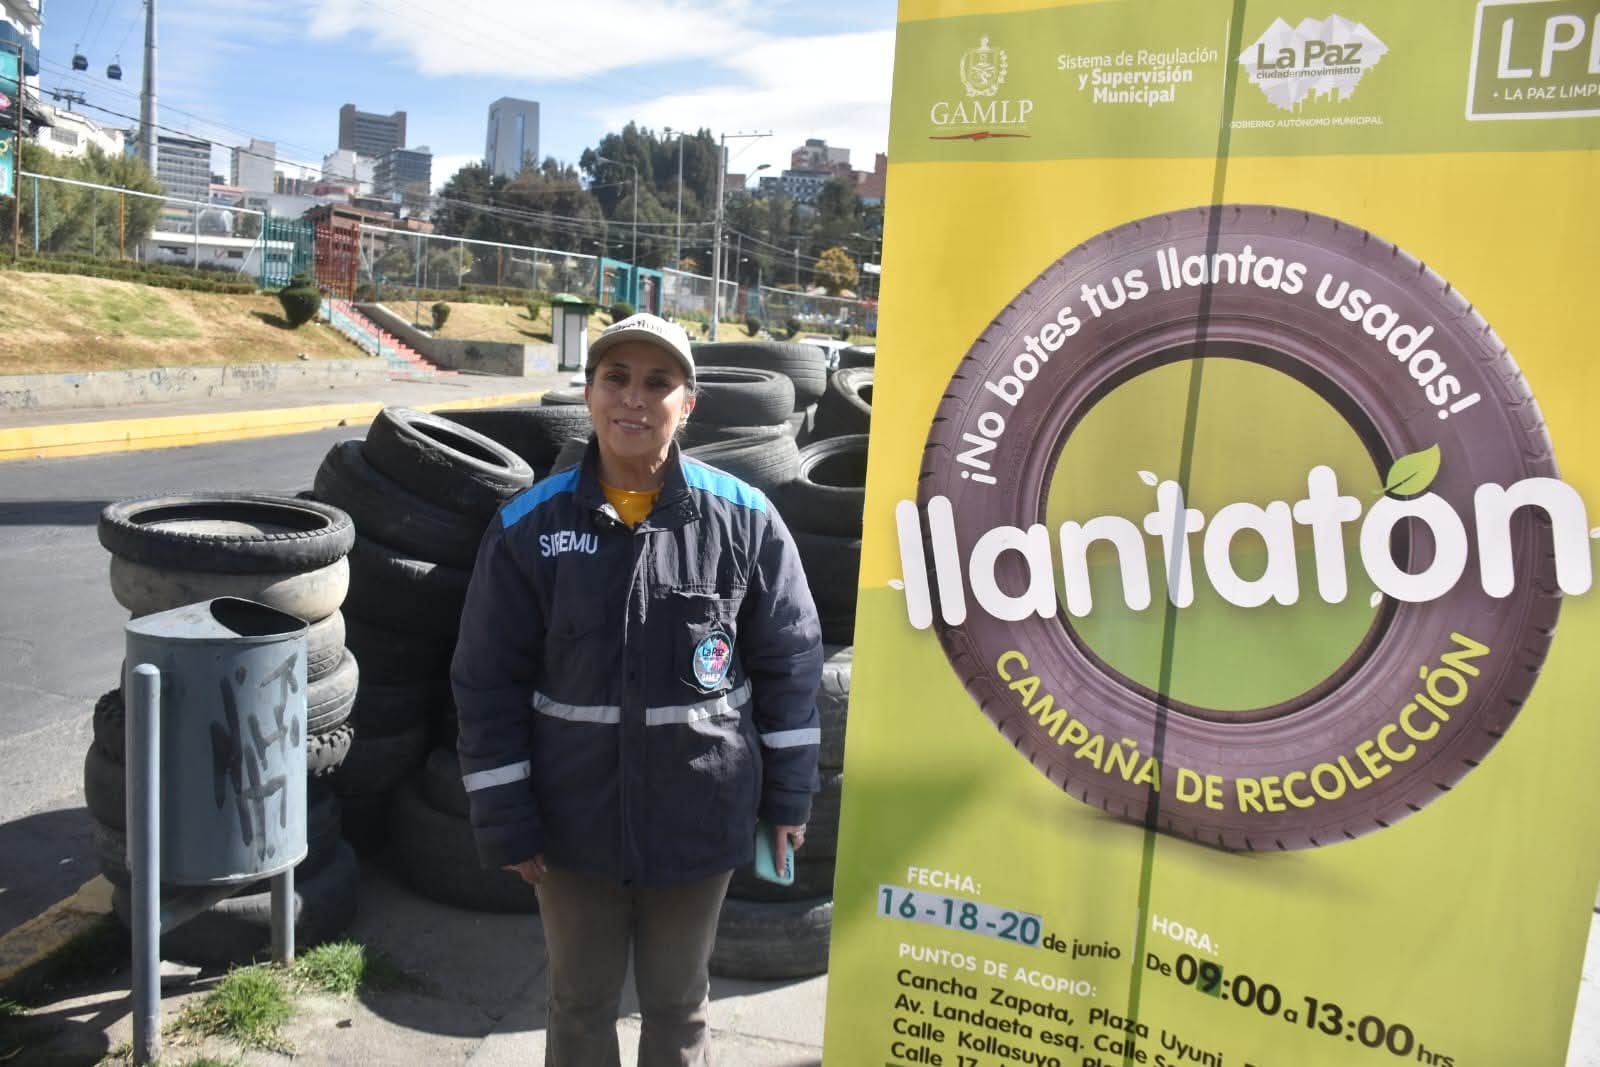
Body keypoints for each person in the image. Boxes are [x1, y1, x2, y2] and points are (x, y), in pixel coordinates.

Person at [452, 312, 824, 1067]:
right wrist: (507, 816)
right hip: (571, 828)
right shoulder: (528, 528)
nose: (634, 397)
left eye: (659, 382)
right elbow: (486, 679)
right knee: (578, 1006)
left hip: (699, 820)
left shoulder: (746, 520)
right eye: (615, 377)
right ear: (589, 393)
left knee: (680, 1008)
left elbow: (791, 660)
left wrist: (788, 799)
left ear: (688, 405)